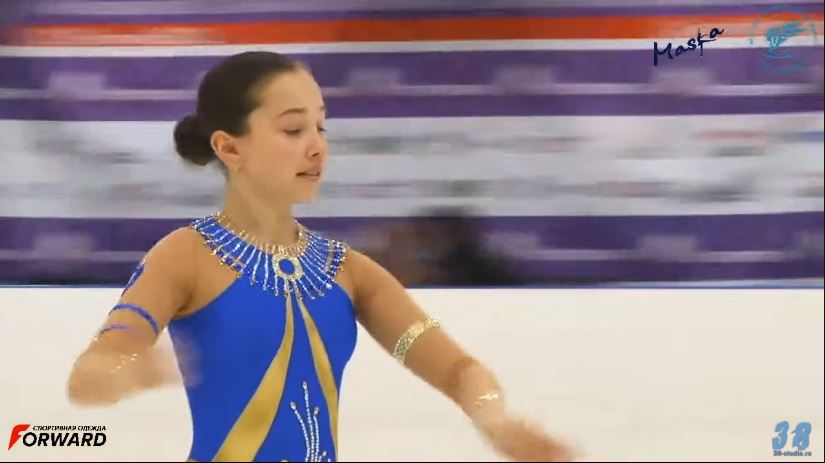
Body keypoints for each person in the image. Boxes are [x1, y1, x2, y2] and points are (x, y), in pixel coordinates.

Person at [67, 51, 575, 462]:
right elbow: (90, 373)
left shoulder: (347, 270)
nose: (316, 148)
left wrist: (493, 419)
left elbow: (455, 368)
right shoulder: (187, 255)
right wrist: (127, 368)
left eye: (321, 127)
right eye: (293, 130)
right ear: (230, 148)